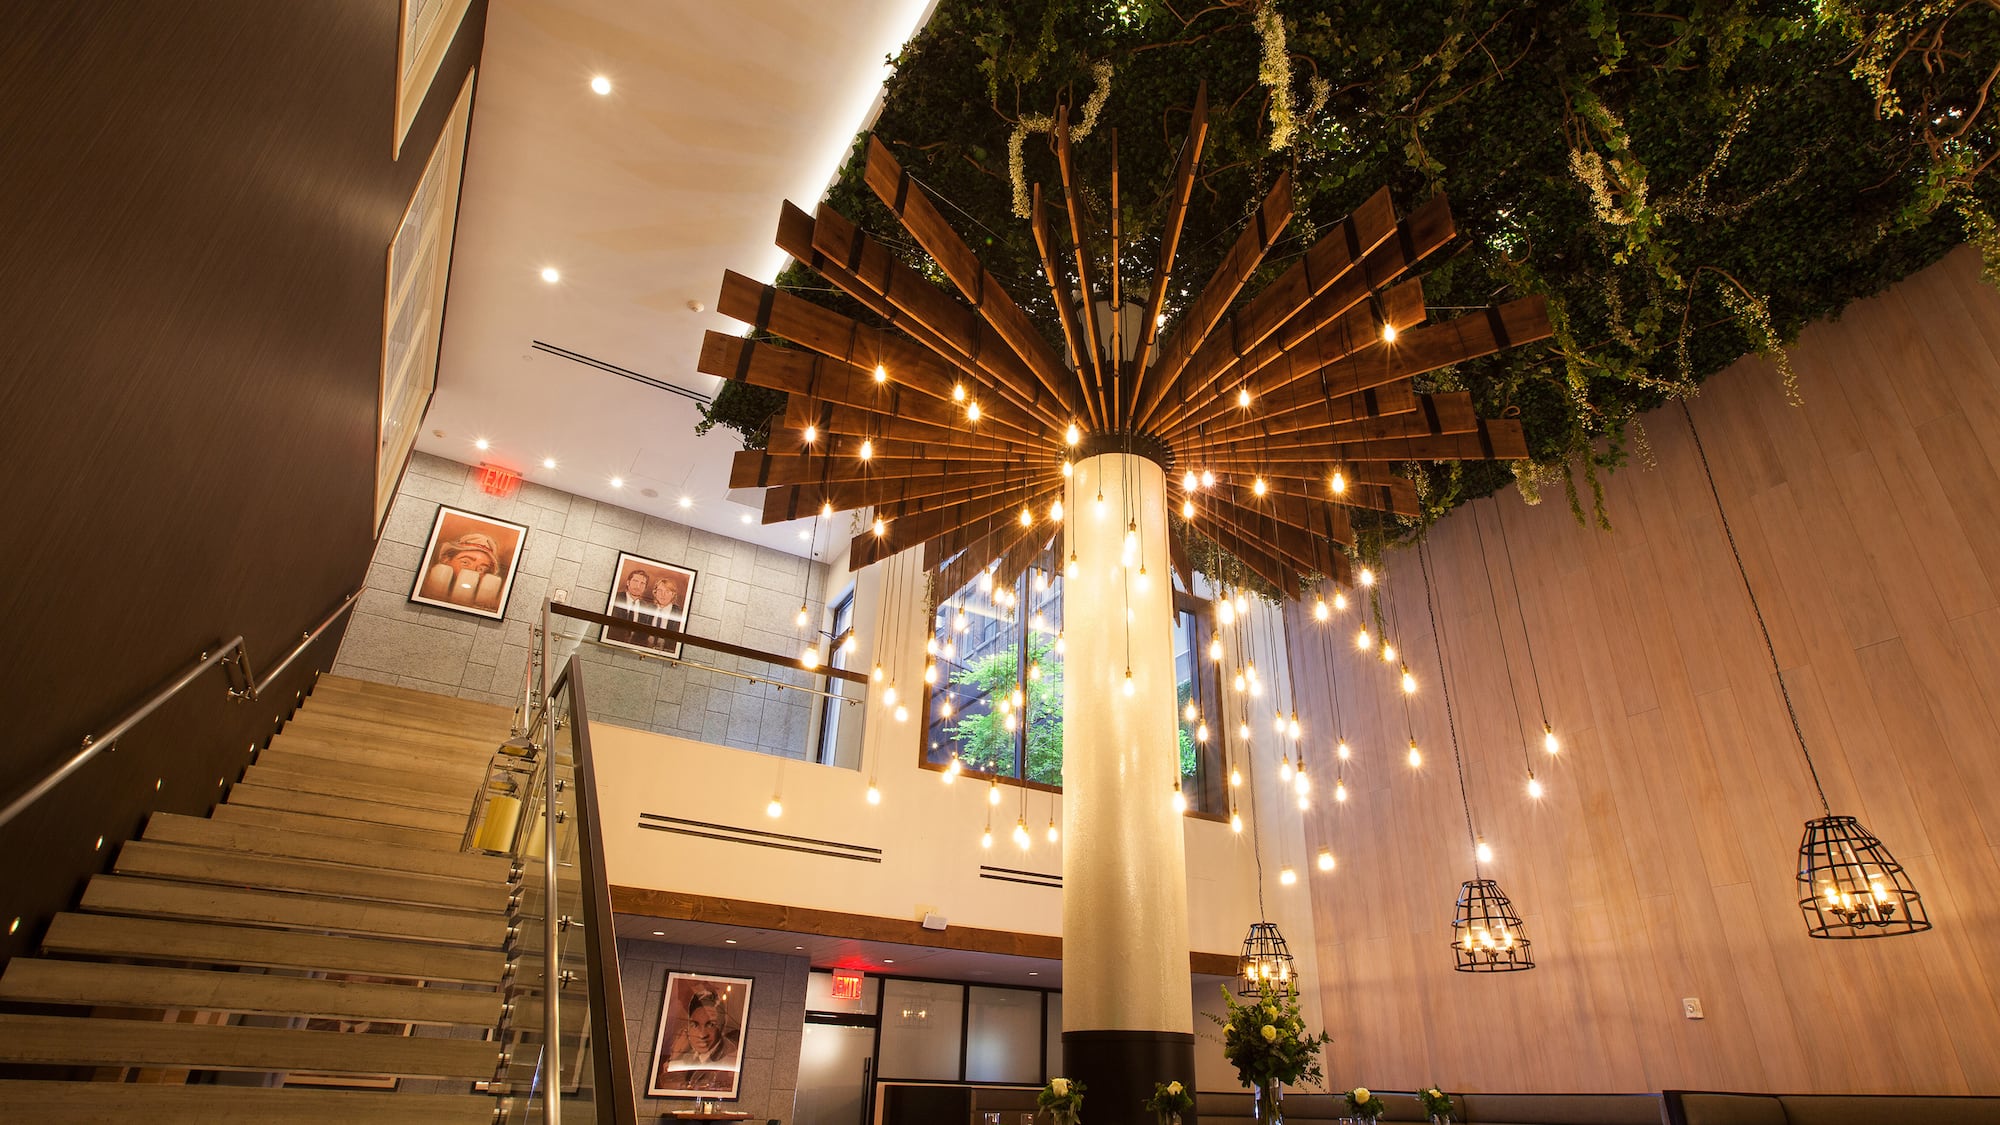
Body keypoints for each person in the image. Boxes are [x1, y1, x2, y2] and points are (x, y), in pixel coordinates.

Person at [653, 987, 739, 1093]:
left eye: (711, 1025)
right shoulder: (688, 1053)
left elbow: (674, 1089)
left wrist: (675, 1059)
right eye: (695, 1025)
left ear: (721, 1026)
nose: (702, 1035)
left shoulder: (729, 1059)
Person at [417, 530, 504, 608]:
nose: (473, 571)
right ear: (446, 560)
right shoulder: (424, 588)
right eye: (465, 562)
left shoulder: (482, 603)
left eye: (481, 569)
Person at [606, 567, 655, 646]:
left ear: (645, 587)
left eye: (642, 583)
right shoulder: (615, 598)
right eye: (635, 581)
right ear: (628, 582)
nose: (638, 586)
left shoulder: (646, 608)